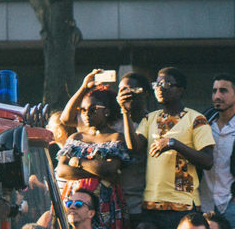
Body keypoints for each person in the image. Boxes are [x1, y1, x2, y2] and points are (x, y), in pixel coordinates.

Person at [136, 68, 216, 229]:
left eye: (165, 84)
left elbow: (207, 161)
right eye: (156, 84)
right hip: (152, 203)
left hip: (182, 204)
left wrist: (174, 144)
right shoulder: (149, 118)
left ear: (180, 90)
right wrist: (125, 111)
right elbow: (134, 148)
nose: (159, 88)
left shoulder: (197, 119)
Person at [57, 85, 134, 229]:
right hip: (75, 200)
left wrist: (78, 161)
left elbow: (110, 169)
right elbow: (62, 171)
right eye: (83, 110)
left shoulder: (115, 137)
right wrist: (99, 171)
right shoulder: (76, 137)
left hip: (104, 200)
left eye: (93, 109)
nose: (86, 114)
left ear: (107, 111)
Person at [118, 72, 152, 227]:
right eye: (121, 90)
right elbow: (66, 119)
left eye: (130, 89)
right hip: (117, 202)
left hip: (145, 204)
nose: (125, 94)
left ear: (144, 92)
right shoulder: (114, 124)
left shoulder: (154, 122)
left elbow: (135, 148)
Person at [202, 74, 235, 225]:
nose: (217, 96)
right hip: (204, 204)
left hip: (231, 204)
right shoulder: (203, 124)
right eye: (214, 91)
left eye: (223, 91)